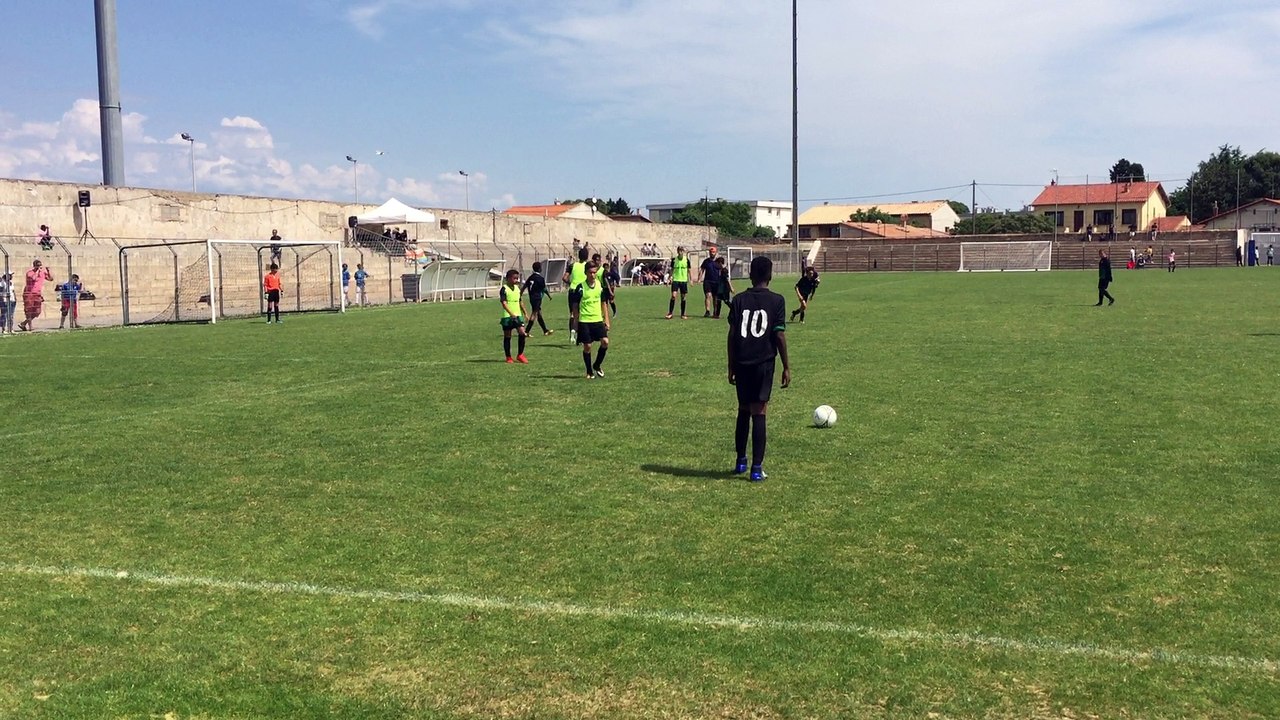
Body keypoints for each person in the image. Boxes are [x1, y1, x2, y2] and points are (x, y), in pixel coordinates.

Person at [727, 256, 790, 482]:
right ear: (770, 276)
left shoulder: (739, 300)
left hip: (742, 361)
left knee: (743, 409)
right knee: (760, 411)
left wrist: (731, 364)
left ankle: (740, 461)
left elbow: (732, 335)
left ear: (750, 275)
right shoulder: (777, 301)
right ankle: (756, 469)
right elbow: (779, 335)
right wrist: (786, 366)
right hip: (763, 363)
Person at [575, 261, 611, 379]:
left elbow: (604, 303)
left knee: (605, 342)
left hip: (597, 319)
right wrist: (575, 322)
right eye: (590, 272)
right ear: (585, 273)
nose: (592, 275)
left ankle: (597, 365)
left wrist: (607, 319)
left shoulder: (599, 285)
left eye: (594, 272)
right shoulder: (580, 287)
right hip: (584, 320)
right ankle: (589, 371)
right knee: (588, 346)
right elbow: (575, 306)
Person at [500, 269, 530, 364]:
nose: (516, 280)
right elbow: (504, 303)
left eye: (517, 278)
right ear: (508, 278)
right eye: (514, 278)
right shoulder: (504, 289)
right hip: (507, 317)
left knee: (522, 333)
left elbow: (520, 301)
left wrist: (525, 313)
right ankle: (508, 357)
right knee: (507, 336)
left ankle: (520, 355)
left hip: (518, 315)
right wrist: (511, 313)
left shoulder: (517, 289)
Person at [562, 246, 589, 343]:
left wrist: (571, 283)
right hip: (583, 290)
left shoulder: (572, 265)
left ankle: (572, 334)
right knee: (582, 315)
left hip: (572, 290)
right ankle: (580, 337)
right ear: (587, 256)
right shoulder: (588, 266)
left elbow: (564, 278)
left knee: (572, 314)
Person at [18, 259, 52, 331]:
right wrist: (37, 271)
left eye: (40, 265)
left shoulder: (42, 273)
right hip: (29, 293)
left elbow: (50, 279)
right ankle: (30, 326)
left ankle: (24, 323)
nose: (39, 267)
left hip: (37, 294)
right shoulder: (30, 273)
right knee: (29, 311)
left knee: (37, 312)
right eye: (37, 265)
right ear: (34, 266)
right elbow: (33, 278)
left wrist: (48, 271)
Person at [522, 261, 553, 336]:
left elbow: (525, 286)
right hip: (537, 298)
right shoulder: (540, 278)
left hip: (531, 298)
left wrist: (520, 294)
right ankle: (526, 331)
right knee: (534, 313)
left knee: (539, 314)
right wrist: (549, 295)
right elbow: (544, 289)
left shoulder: (531, 277)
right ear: (539, 269)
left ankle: (545, 331)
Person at [666, 246, 691, 319]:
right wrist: (669, 279)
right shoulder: (674, 260)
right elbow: (672, 270)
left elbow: (689, 270)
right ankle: (670, 313)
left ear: (683, 252)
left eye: (682, 251)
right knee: (673, 296)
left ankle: (683, 314)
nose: (680, 252)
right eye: (679, 250)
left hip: (683, 280)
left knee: (683, 297)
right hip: (676, 280)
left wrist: (691, 279)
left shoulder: (686, 260)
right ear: (677, 251)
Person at [698, 246, 722, 317]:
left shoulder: (719, 262)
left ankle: (715, 311)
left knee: (715, 297)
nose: (712, 253)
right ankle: (707, 311)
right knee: (708, 295)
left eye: (713, 252)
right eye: (711, 252)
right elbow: (702, 270)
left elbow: (722, 271)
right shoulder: (706, 261)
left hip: (716, 282)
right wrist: (699, 279)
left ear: (716, 253)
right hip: (707, 281)